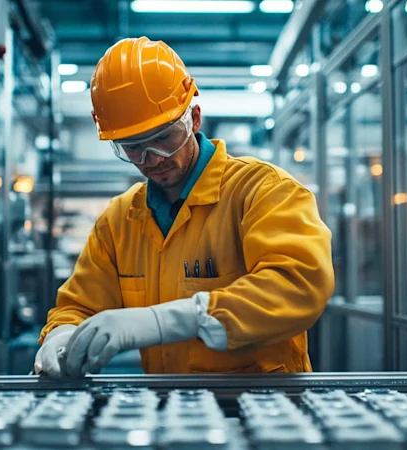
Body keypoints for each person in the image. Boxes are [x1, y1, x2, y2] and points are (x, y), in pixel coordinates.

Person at [34, 37, 334, 378]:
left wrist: (167, 321)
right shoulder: (119, 220)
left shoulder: (262, 191)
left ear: (194, 118)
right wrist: (62, 334)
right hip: (169, 403)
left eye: (164, 137)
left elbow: (299, 285)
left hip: (265, 401)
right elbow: (79, 305)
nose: (152, 159)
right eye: (133, 147)